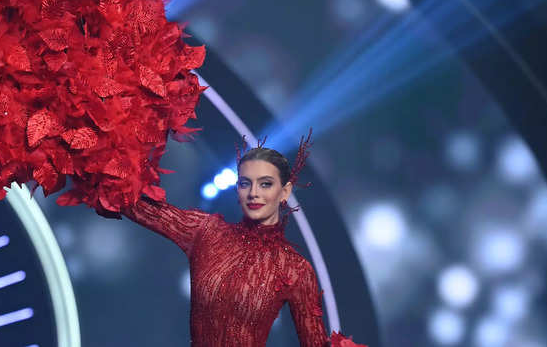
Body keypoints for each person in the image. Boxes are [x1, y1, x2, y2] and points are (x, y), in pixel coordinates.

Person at [121, 140, 366, 347]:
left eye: (265, 184)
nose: (254, 193)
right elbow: (133, 206)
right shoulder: (206, 231)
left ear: (285, 192)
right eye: (245, 183)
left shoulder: (295, 270)